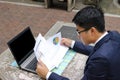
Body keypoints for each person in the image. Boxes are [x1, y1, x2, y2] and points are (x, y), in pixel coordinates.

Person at [36, 6, 120, 80]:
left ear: (92, 31)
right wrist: (72, 44)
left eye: (79, 31)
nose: (78, 36)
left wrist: (48, 74)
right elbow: (96, 49)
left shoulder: (99, 60)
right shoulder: (114, 35)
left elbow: (99, 55)